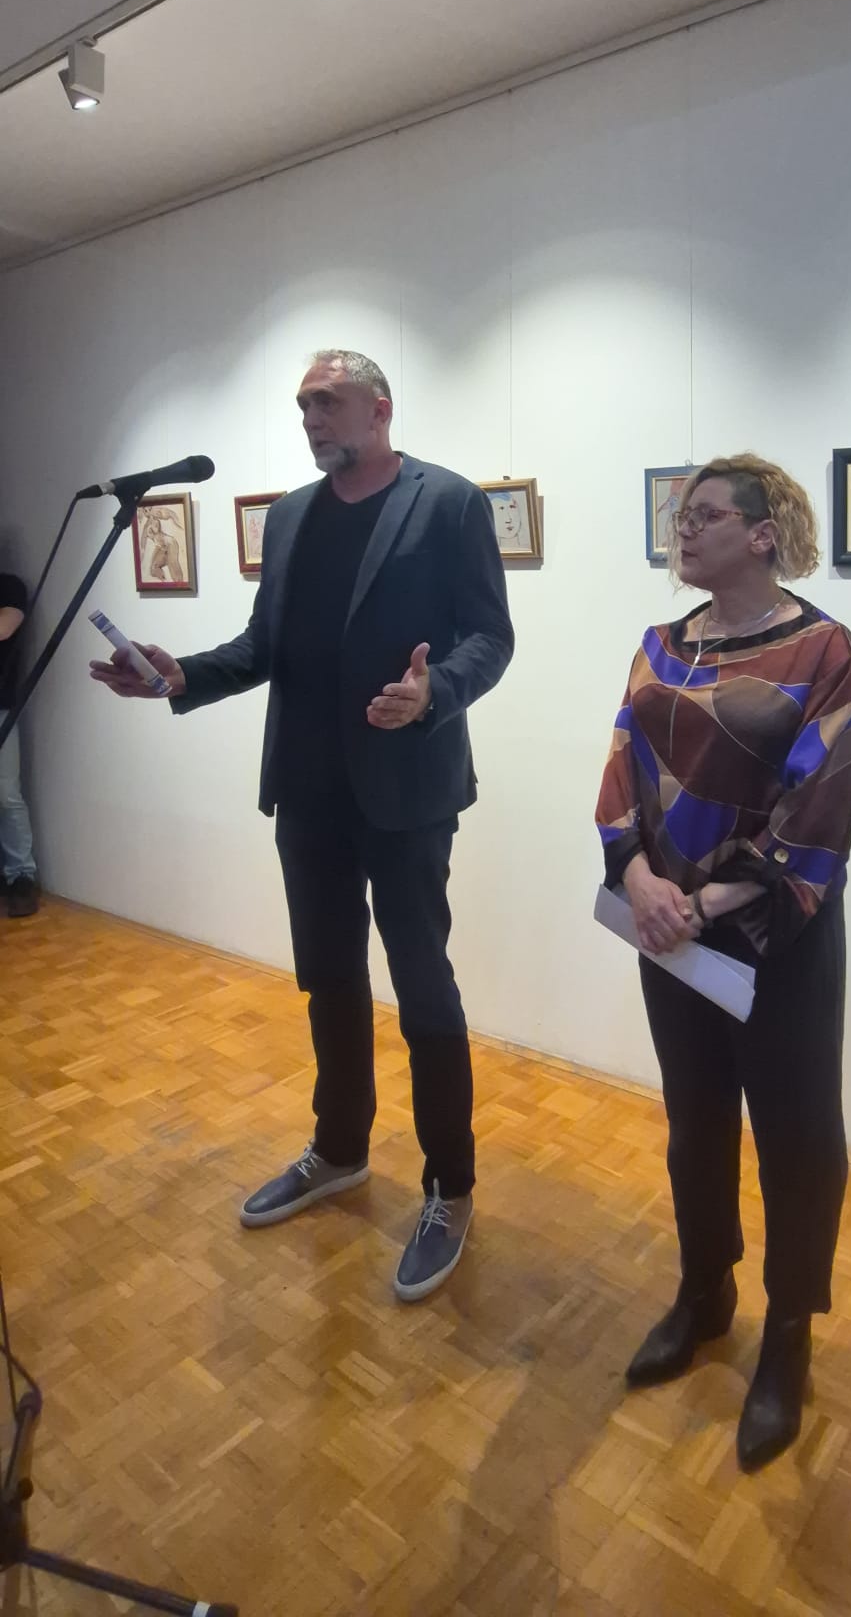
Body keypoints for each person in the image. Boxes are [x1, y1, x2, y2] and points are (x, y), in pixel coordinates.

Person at [91, 350, 514, 1301]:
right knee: (328, 979)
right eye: (303, 405)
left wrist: (435, 692)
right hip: (309, 793)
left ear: (379, 408)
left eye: (328, 401)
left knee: (424, 990)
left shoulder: (447, 503)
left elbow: (492, 636)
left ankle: (450, 1187)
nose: (312, 417)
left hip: (406, 794)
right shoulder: (288, 517)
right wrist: (180, 674)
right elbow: (265, 646)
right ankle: (340, 1150)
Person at [596, 453, 851, 1471]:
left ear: (762, 533)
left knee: (797, 1139)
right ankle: (704, 1290)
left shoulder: (823, 651)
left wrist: (704, 900)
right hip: (666, 929)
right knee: (694, 1121)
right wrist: (637, 877)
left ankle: (788, 1330)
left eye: (705, 514)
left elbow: (822, 801)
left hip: (773, 935)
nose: (685, 527)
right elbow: (621, 768)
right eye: (682, 514)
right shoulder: (658, 645)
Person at [0, 571, 41, 918]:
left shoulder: (9, 586)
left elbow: (4, 628)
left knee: (6, 794)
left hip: (0, 708)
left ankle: (21, 877)